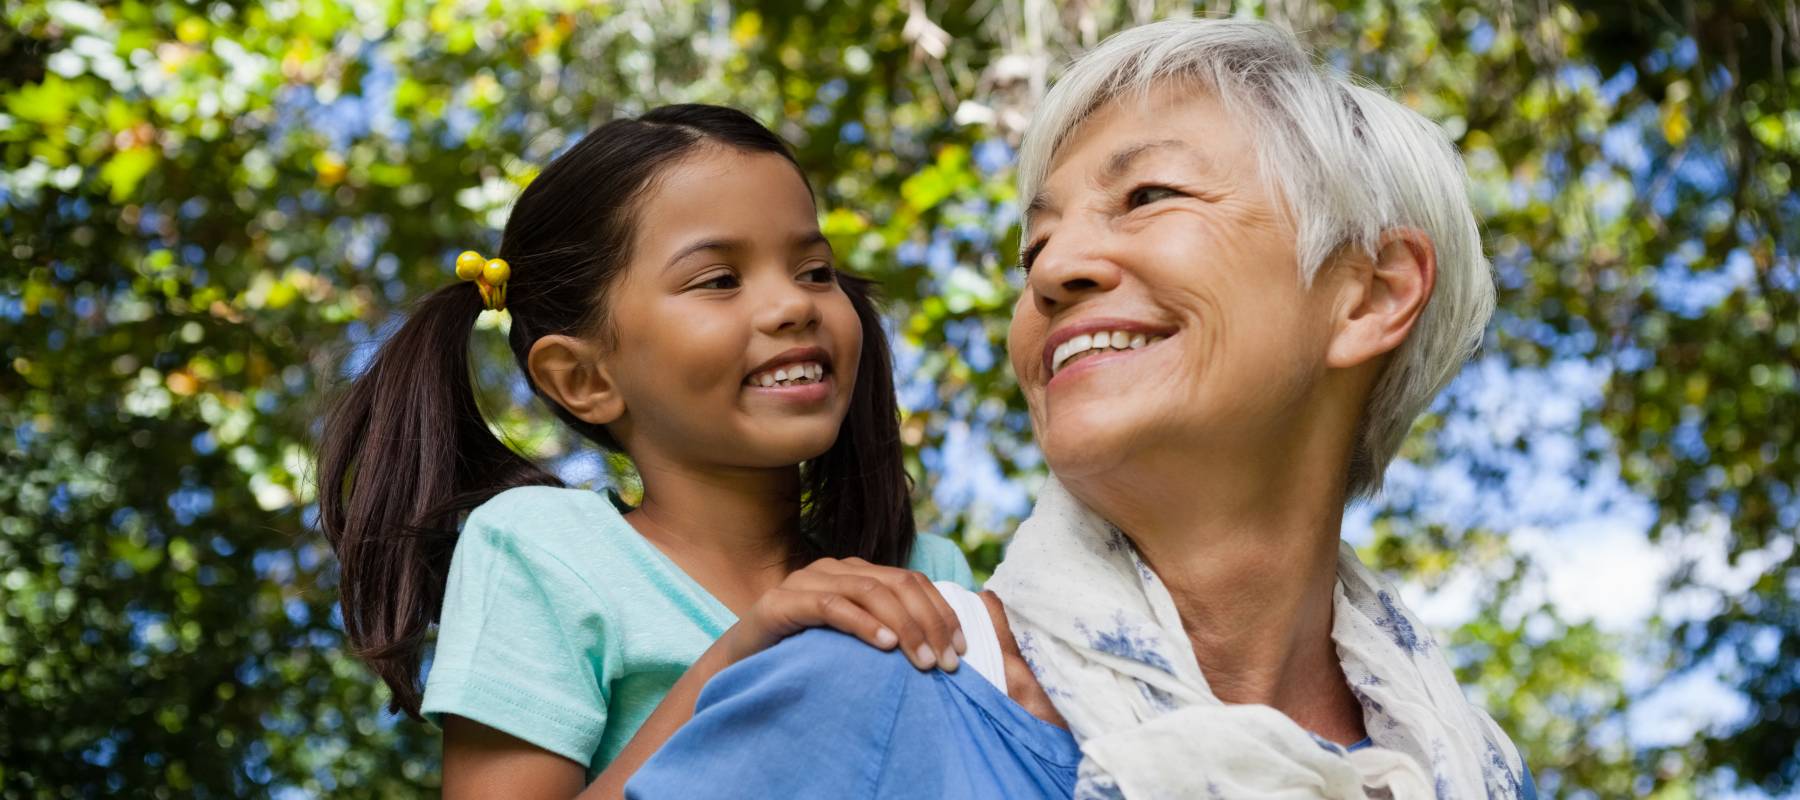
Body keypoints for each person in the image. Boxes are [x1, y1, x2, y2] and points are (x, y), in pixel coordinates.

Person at [627, 20, 1536, 799]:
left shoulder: (1465, 768)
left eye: (1148, 196)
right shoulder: (869, 691)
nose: (1055, 272)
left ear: (1371, 295)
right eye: (1037, 247)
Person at [315, 104, 976, 798]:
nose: (795, 305)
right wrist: (750, 651)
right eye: (719, 280)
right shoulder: (545, 555)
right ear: (585, 379)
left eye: (814, 270)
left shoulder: (926, 575)